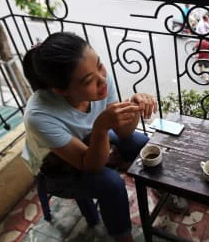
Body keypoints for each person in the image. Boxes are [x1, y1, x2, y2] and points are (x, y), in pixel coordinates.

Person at [21, 32, 157, 242]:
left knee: (142, 143)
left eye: (100, 65)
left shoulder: (100, 79)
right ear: (61, 91)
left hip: (89, 137)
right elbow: (90, 164)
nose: (102, 79)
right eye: (87, 80)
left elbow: (123, 132)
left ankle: (161, 191)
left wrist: (133, 108)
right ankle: (123, 238)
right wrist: (101, 128)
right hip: (55, 168)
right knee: (111, 184)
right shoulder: (39, 116)